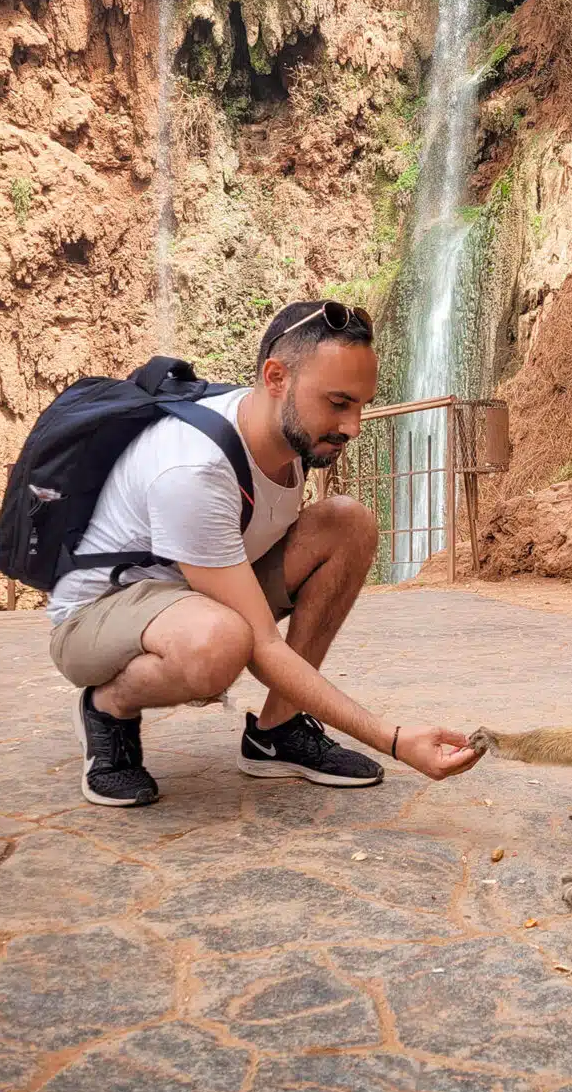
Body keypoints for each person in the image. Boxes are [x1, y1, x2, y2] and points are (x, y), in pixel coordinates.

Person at [46, 300, 479, 806]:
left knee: (347, 523)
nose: (354, 426)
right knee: (221, 641)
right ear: (276, 378)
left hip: (194, 593)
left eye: (361, 404)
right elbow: (263, 645)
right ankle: (108, 707)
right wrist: (394, 739)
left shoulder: (285, 436)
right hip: (97, 621)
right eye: (339, 403)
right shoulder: (195, 470)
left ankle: (277, 731)